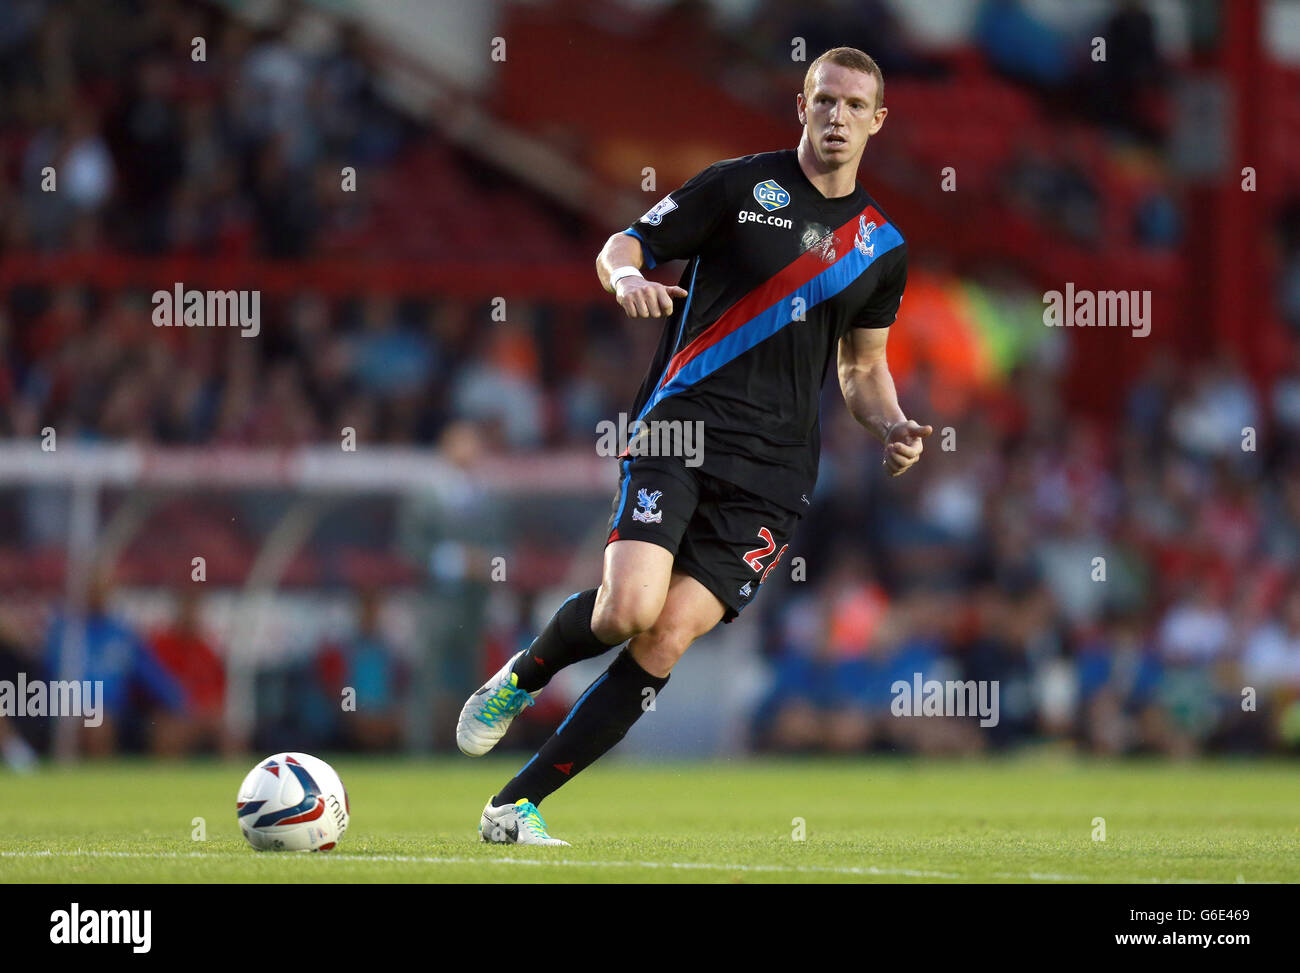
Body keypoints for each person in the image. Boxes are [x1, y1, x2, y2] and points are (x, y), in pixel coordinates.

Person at [457, 47, 931, 845]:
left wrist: (891, 422)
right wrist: (627, 280)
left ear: (878, 120)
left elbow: (863, 367)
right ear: (802, 105)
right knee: (628, 608)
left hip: (777, 473)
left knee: (666, 633)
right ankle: (520, 676)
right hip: (683, 426)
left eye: (855, 106)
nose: (838, 117)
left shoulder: (882, 248)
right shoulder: (739, 186)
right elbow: (623, 243)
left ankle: (515, 805)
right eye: (825, 101)